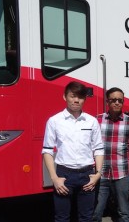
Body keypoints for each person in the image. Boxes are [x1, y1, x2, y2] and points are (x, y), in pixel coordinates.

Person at [42, 81, 104, 222]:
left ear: (84, 99)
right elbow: (47, 150)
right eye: (72, 96)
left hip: (87, 175)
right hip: (64, 175)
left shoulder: (91, 121)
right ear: (65, 97)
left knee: (86, 217)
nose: (76, 100)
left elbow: (99, 149)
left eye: (80, 97)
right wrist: (54, 178)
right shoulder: (54, 121)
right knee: (62, 218)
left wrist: (98, 174)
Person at [93, 87, 129, 222]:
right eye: (113, 100)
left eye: (120, 100)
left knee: (124, 212)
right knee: (96, 212)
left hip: (122, 174)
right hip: (100, 173)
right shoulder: (97, 120)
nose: (117, 103)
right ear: (107, 101)